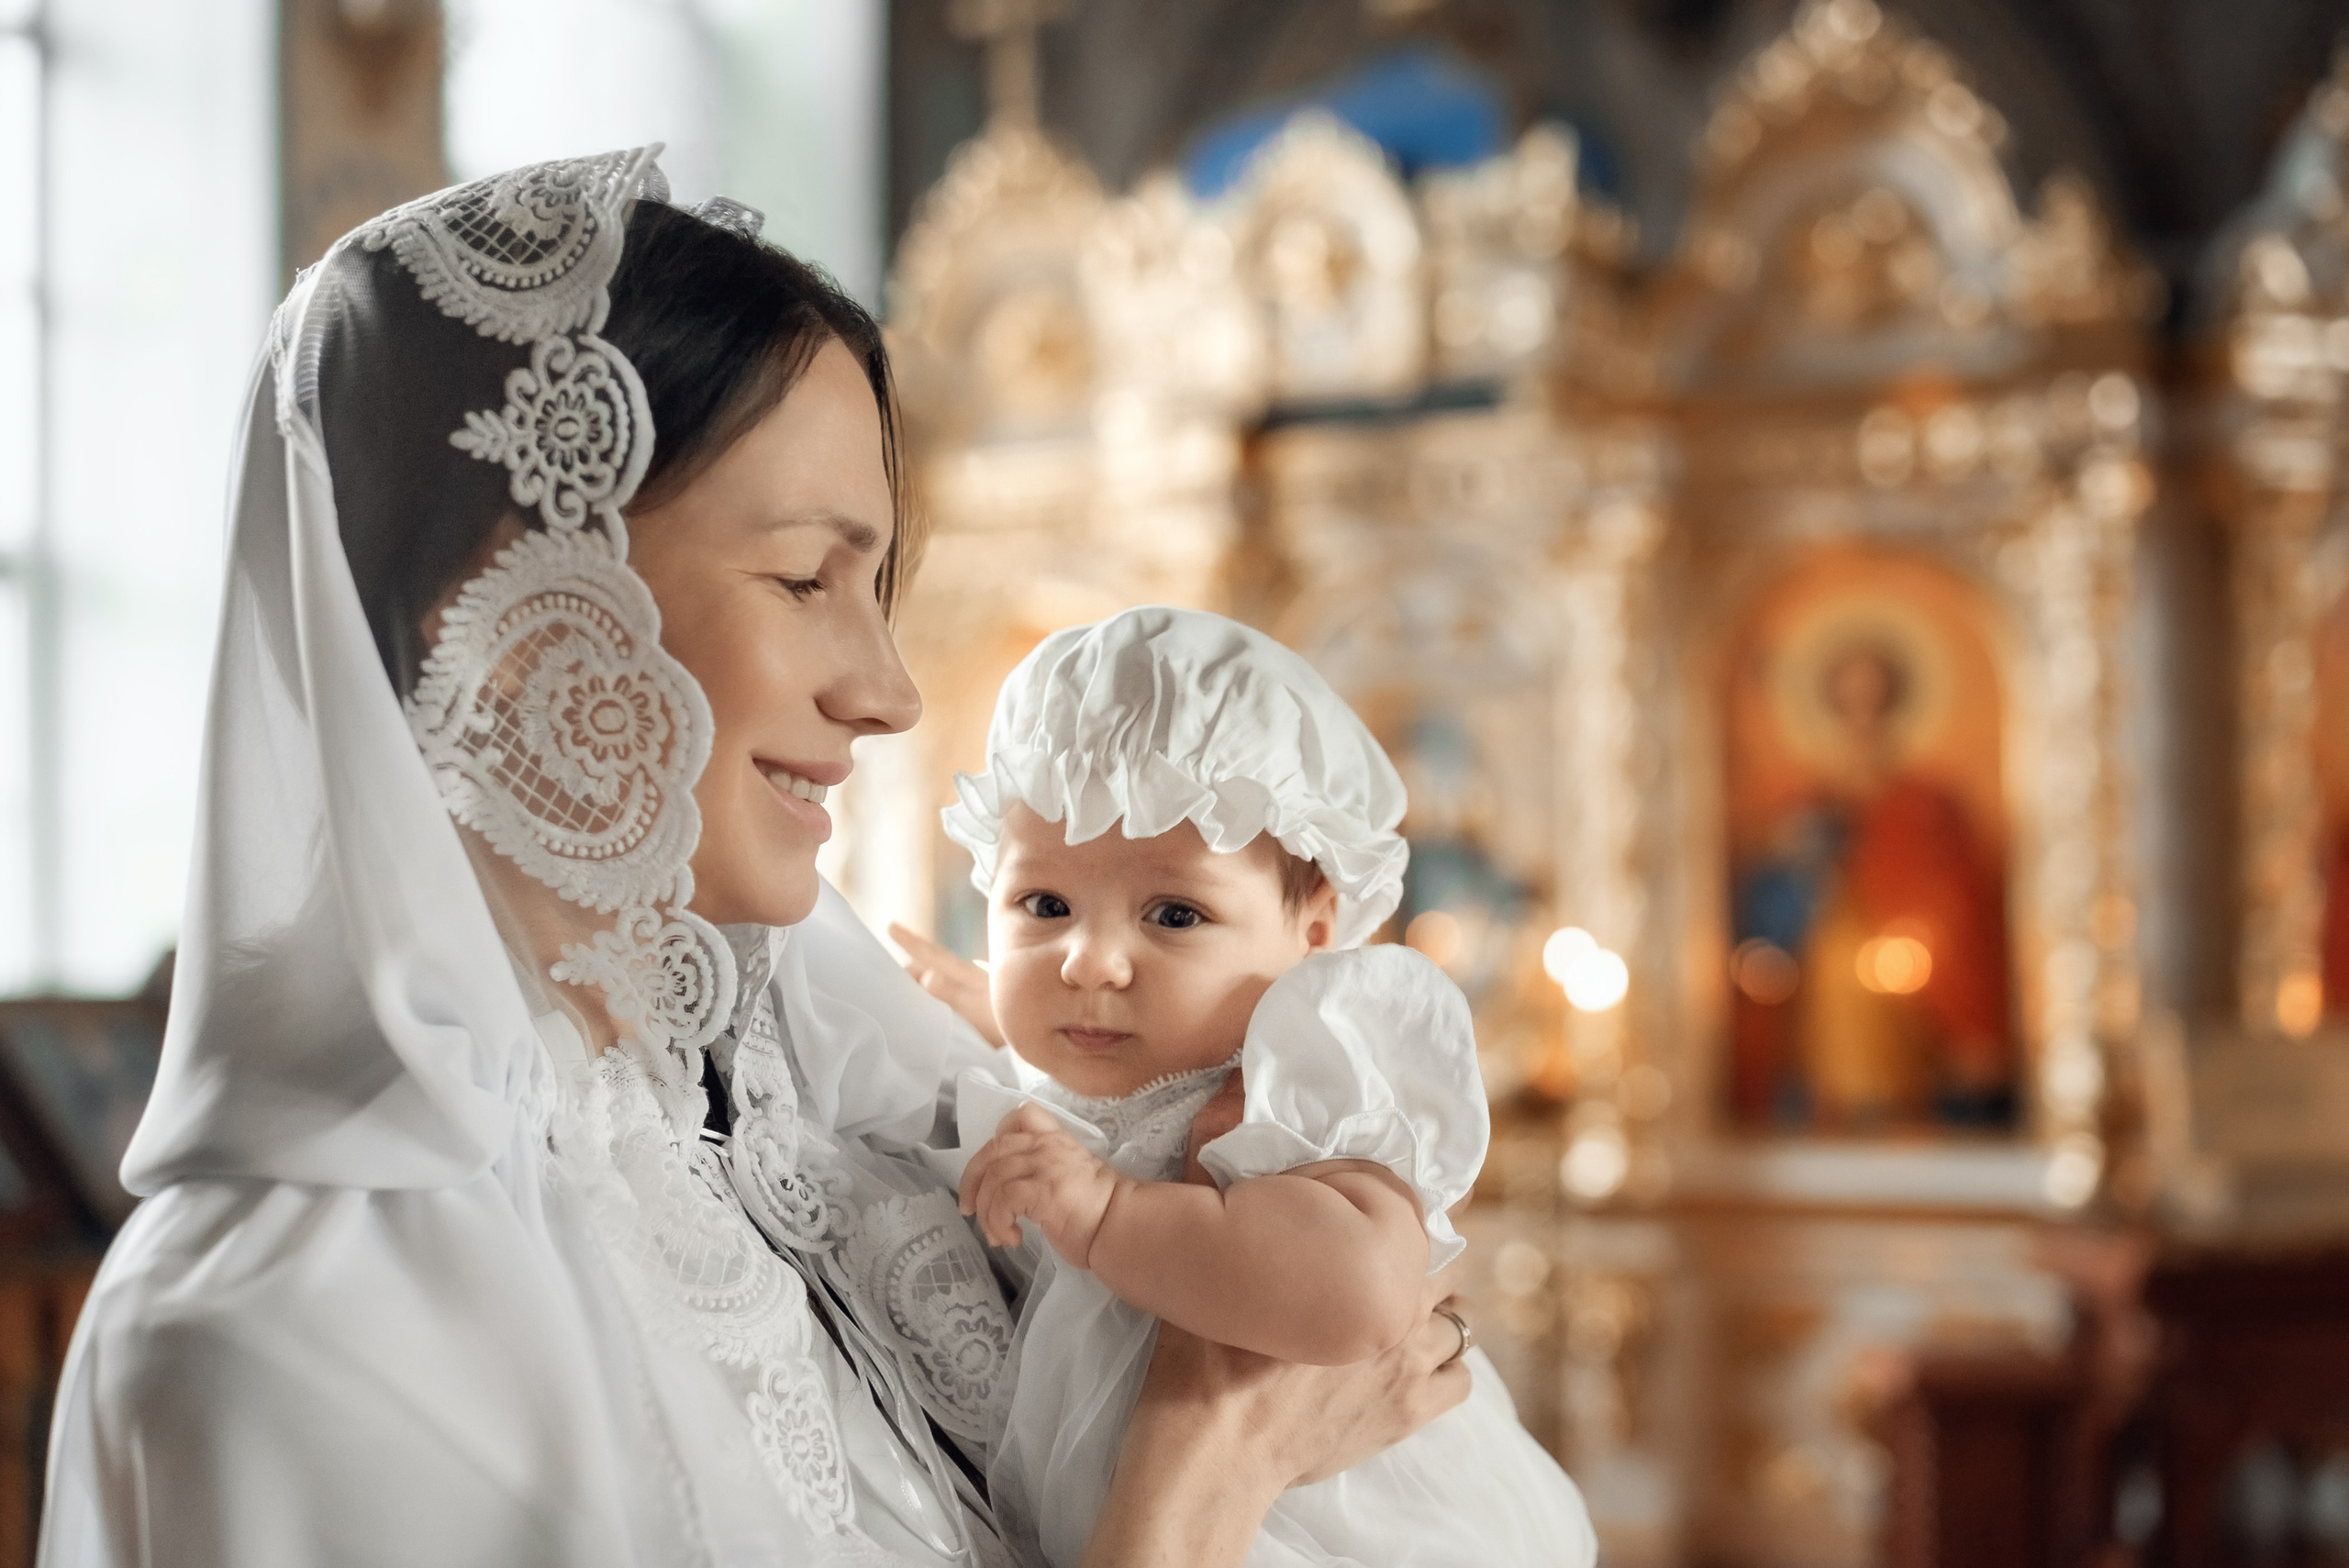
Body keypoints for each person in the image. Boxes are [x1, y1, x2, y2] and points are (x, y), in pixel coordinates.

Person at [37, 150, 1473, 1568]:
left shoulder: (834, 1112)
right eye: (805, 579)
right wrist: (1197, 1481)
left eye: (877, 585)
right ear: (504, 597)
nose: (892, 693)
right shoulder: (287, 1340)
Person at [903, 609, 1594, 1568]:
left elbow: (1362, 1290)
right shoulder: (1111, 1062)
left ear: (1312, 935)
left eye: (1174, 912)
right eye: (1043, 904)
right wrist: (985, 1013)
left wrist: (1110, 1212)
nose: (1089, 960)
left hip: (1346, 1532)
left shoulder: (1302, 1077)